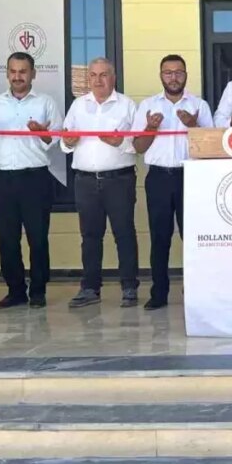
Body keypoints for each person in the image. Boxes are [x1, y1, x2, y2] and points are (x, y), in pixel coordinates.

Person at [0, 52, 60, 309]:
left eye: (23, 71)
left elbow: (56, 140)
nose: (17, 76)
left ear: (33, 74)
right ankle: (15, 291)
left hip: (35, 178)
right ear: (7, 73)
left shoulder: (46, 103)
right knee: (6, 239)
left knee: (38, 238)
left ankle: (38, 291)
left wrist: (42, 132)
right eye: (13, 71)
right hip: (2, 179)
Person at [132, 54, 213, 311]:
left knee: (194, 237)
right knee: (160, 237)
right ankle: (159, 293)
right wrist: (150, 128)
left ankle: (197, 292)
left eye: (178, 72)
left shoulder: (199, 105)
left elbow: (210, 147)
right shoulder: (147, 105)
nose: (173, 77)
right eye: (168, 73)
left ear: (186, 75)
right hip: (158, 178)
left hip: (191, 177)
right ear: (161, 76)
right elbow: (138, 147)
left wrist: (193, 125)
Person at [61, 57, 139, 309]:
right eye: (93, 75)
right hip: (85, 181)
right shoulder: (78, 105)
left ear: (113, 78)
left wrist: (121, 142)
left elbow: (138, 144)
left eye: (103, 75)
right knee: (90, 236)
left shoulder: (127, 105)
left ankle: (129, 288)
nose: (98, 80)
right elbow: (65, 140)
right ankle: (90, 288)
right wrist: (68, 142)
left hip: (119, 180)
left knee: (124, 234)